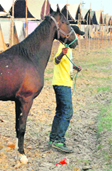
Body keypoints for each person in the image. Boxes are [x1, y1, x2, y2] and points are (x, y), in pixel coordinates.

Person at [49, 25, 85, 153]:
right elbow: (56, 61)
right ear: (71, 35)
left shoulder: (68, 49)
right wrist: (61, 54)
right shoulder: (63, 47)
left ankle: (53, 139)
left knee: (60, 112)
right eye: (77, 35)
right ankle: (59, 140)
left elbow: (65, 63)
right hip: (62, 84)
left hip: (61, 83)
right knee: (67, 112)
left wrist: (75, 67)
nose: (78, 37)